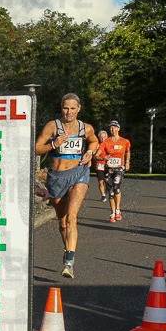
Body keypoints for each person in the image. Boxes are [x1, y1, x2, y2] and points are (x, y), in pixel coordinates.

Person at [34, 93, 99, 279]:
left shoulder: (86, 128)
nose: (69, 112)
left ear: (79, 108)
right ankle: (67, 249)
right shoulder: (52, 126)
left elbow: (94, 141)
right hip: (56, 177)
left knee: (72, 217)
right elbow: (36, 147)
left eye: (72, 108)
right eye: (65, 108)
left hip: (79, 173)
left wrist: (90, 153)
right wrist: (53, 144)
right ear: (61, 108)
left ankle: (69, 263)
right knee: (62, 223)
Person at [96, 121, 131, 222]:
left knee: (116, 186)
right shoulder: (105, 142)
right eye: (111, 128)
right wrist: (102, 157)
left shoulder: (125, 141)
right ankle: (112, 212)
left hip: (119, 167)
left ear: (118, 129)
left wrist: (127, 162)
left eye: (114, 127)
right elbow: (97, 155)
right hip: (108, 168)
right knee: (110, 192)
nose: (112, 129)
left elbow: (128, 151)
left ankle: (118, 210)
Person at [94, 130, 109, 201]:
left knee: (108, 180)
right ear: (99, 138)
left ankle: (108, 189)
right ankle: (103, 195)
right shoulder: (97, 145)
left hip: (109, 165)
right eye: (101, 138)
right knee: (101, 181)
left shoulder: (109, 144)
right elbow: (94, 155)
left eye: (104, 137)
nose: (103, 139)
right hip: (100, 164)